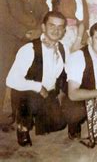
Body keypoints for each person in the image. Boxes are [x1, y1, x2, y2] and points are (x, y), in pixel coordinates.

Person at [0, 0, 49, 131]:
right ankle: (2, 117)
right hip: (10, 40)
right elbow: (3, 18)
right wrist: (24, 33)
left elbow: (44, 12)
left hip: (34, 38)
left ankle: (22, 117)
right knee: (4, 75)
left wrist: (39, 30)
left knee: (28, 77)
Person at [6, 12, 68, 146]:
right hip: (27, 94)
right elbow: (10, 80)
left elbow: (64, 74)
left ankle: (38, 117)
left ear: (64, 31)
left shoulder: (62, 48)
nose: (56, 30)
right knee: (30, 99)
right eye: (51, 26)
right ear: (43, 27)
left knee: (59, 124)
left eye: (60, 27)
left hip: (48, 94)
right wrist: (38, 87)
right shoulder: (29, 49)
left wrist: (61, 93)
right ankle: (22, 126)